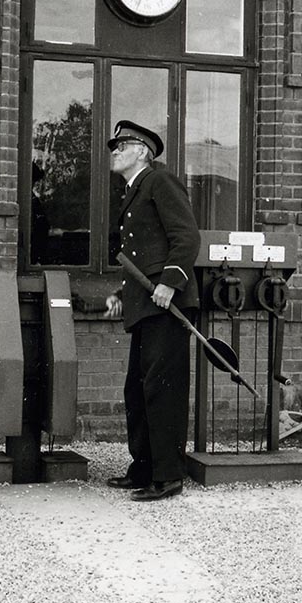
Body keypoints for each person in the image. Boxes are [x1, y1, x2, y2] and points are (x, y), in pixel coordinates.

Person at [104, 120, 200, 501]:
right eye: (114, 146)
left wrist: (170, 282)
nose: (115, 151)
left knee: (162, 390)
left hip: (167, 304)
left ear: (143, 151)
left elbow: (186, 236)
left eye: (122, 145)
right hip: (147, 304)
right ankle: (143, 468)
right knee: (137, 389)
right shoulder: (133, 190)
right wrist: (121, 293)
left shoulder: (160, 182)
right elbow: (142, 256)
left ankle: (168, 477)